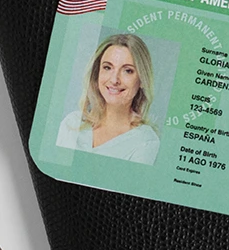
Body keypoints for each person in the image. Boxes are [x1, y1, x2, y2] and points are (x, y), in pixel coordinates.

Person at [59, 33, 161, 164]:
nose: (114, 80)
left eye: (128, 70)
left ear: (142, 79)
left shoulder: (146, 142)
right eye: (107, 67)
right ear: (97, 73)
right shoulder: (71, 123)